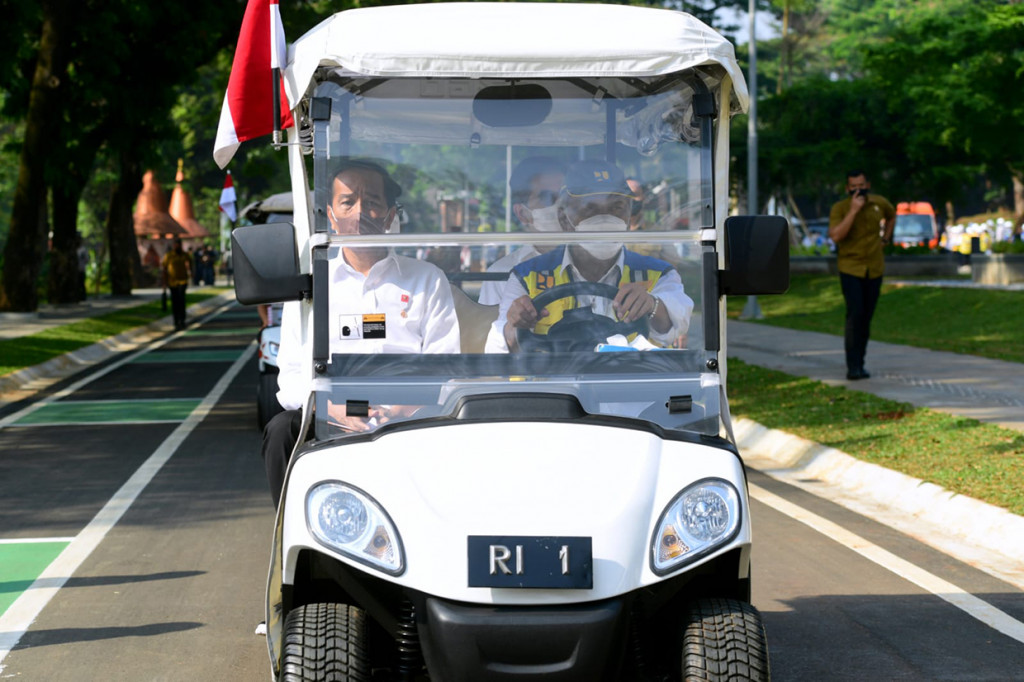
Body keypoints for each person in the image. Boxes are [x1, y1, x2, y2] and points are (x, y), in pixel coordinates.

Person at [262, 159, 460, 507]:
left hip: (411, 413)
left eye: (372, 202)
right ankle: (291, 544)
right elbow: (291, 376)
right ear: (330, 213)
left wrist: (399, 408)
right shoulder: (312, 286)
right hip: (333, 411)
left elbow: (446, 367)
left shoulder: (426, 279)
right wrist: (334, 409)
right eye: (348, 201)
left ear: (389, 214)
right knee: (281, 430)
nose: (360, 213)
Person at [485, 159, 693, 353]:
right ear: (564, 219)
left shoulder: (658, 274)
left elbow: (677, 320)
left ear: (629, 217)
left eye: (616, 208)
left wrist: (652, 304)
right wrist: (515, 323)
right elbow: (497, 348)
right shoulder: (526, 276)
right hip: (553, 388)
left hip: (631, 387)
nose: (605, 218)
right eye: (590, 209)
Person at [828, 169, 896, 381]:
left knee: (866, 317)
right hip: (851, 267)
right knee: (855, 314)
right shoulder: (840, 208)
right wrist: (854, 211)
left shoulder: (879, 203)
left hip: (874, 268)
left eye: (861, 186)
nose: (858, 190)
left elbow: (892, 215)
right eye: (853, 187)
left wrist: (885, 238)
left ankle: (861, 362)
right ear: (847, 188)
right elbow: (837, 236)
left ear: (867, 185)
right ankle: (853, 366)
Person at [478, 156, 567, 306]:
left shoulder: (599, 265)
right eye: (546, 197)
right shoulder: (501, 273)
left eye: (565, 196)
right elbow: (490, 328)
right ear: (522, 213)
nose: (561, 206)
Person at [161, 238, 192, 330]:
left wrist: (191, 271)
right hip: (172, 282)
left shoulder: (184, 255)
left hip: (183, 281)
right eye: (176, 244)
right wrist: (164, 282)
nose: (177, 246)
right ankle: (176, 320)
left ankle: (182, 320)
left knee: (181, 300)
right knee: (175, 302)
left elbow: (190, 262)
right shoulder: (169, 255)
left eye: (178, 244)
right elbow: (164, 269)